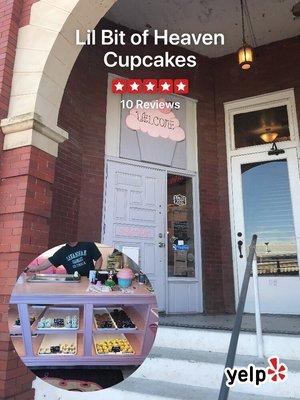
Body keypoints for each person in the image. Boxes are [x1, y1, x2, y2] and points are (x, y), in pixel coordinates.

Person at [25, 242, 103, 277]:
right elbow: (46, 264)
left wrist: (94, 273)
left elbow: (99, 258)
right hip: (74, 282)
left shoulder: (88, 243)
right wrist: (31, 269)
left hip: (89, 279)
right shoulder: (62, 252)